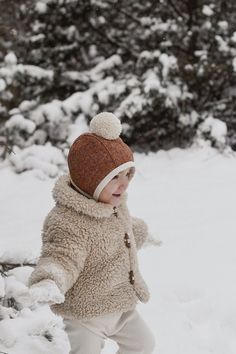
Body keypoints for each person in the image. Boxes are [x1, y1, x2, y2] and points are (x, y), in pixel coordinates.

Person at [25, 112, 156, 354]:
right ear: (90, 180)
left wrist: (142, 233)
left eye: (127, 174)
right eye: (114, 177)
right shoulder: (68, 221)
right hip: (86, 315)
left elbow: (120, 232)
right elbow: (61, 256)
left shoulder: (115, 205)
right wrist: (49, 279)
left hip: (120, 307)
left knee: (143, 345)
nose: (124, 183)